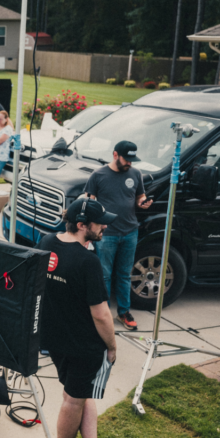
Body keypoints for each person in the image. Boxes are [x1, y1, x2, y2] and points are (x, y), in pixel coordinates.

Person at [37, 197, 118, 438]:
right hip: (83, 345)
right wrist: (112, 345)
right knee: (73, 400)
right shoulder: (88, 262)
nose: (105, 226)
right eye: (100, 223)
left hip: (53, 340)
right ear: (83, 226)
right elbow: (101, 316)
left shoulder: (46, 242)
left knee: (80, 394)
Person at [84, 140, 153, 330]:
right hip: (107, 234)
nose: (130, 163)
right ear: (115, 155)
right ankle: (103, 313)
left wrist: (143, 202)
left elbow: (139, 196)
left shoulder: (135, 173)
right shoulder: (98, 175)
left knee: (124, 274)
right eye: (127, 159)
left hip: (130, 231)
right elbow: (90, 202)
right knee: (104, 276)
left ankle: (124, 312)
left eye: (132, 159)